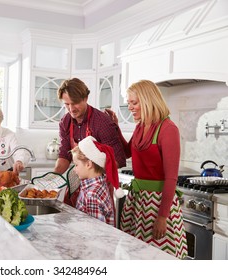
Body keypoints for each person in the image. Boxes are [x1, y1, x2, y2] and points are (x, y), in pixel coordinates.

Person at [106, 79, 188, 259]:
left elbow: (171, 178)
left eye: (134, 103)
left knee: (158, 259)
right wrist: (115, 127)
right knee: (133, 256)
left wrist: (162, 217)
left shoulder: (168, 129)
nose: (130, 107)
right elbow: (127, 152)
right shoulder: (141, 126)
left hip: (158, 204)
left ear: (148, 100)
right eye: (129, 103)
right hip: (137, 200)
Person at [54, 78, 126, 175]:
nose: (71, 109)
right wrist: (52, 177)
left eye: (75, 103)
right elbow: (64, 156)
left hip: (100, 182)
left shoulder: (102, 122)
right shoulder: (65, 122)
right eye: (67, 104)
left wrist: (92, 173)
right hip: (80, 179)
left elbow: (118, 159)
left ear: (86, 98)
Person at [71, 136, 124, 226]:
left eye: (76, 165)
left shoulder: (92, 194)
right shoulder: (100, 186)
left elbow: (94, 231)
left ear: (88, 164)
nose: (74, 169)